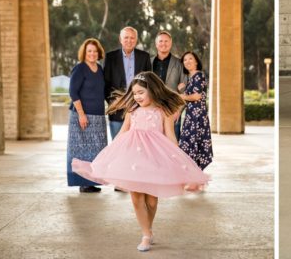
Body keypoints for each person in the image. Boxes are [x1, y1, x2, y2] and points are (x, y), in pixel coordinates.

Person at [72, 71, 208, 254]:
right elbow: (123, 132)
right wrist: (109, 153)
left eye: (141, 92)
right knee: (136, 198)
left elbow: (170, 137)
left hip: (154, 159)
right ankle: (146, 234)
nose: (137, 96)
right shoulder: (132, 110)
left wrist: (181, 163)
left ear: (152, 90)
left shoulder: (164, 111)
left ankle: (148, 229)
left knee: (151, 201)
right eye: (134, 93)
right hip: (133, 159)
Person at [67, 38, 108, 192]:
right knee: (81, 149)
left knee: (96, 149)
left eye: (95, 51)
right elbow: (73, 92)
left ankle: (91, 181)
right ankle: (82, 183)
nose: (92, 54)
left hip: (98, 116)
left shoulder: (99, 68)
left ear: (99, 53)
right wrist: (81, 114)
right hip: (82, 115)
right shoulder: (80, 68)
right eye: (89, 51)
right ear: (84, 53)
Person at [104, 26, 152, 140]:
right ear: (120, 39)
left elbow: (149, 83)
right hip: (117, 109)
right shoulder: (110, 57)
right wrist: (114, 102)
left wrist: (144, 102)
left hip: (139, 108)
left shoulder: (144, 57)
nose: (129, 41)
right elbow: (106, 83)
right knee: (117, 144)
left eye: (132, 38)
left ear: (136, 40)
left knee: (137, 145)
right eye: (126, 38)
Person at [177, 51, 213, 170]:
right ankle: (194, 175)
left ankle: (194, 175)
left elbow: (196, 96)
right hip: (191, 116)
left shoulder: (199, 76)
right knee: (189, 145)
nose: (187, 62)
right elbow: (190, 97)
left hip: (197, 117)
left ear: (196, 61)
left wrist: (182, 95)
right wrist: (183, 89)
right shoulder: (191, 78)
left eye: (190, 59)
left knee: (192, 145)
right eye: (185, 60)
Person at [152, 32, 185, 141]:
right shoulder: (149, 62)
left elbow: (185, 90)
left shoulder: (179, 63)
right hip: (152, 110)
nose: (163, 44)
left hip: (172, 111)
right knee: (153, 145)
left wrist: (178, 111)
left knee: (172, 147)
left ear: (170, 43)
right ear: (156, 44)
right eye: (160, 41)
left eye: (166, 41)